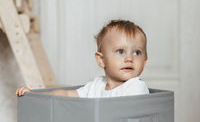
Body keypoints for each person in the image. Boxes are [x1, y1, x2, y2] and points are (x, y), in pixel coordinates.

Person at [15, 19, 149, 98]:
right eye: (120, 51)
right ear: (101, 60)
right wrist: (36, 95)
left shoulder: (135, 87)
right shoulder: (97, 86)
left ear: (145, 61)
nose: (129, 58)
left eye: (137, 53)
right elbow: (67, 95)